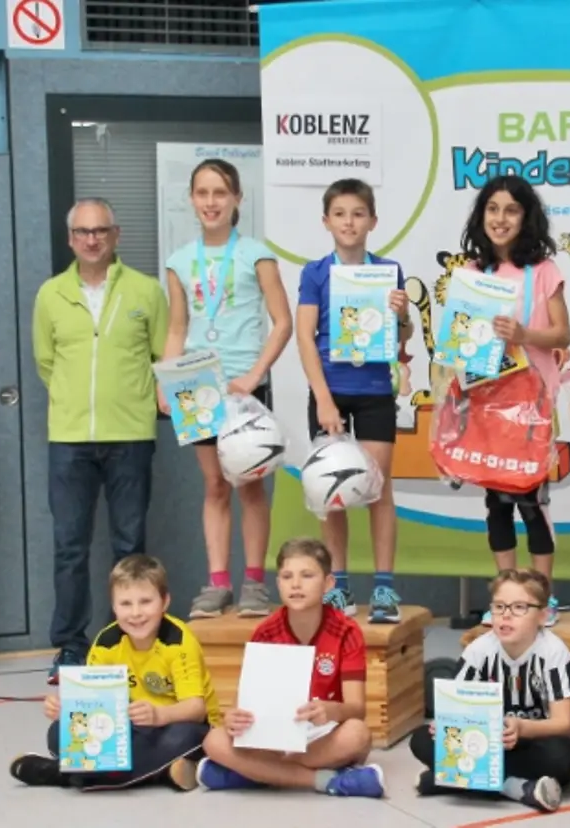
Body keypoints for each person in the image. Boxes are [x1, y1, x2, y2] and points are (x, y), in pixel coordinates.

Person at [34, 198, 169, 683]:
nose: (92, 239)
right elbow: (47, 364)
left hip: (131, 435)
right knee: (69, 546)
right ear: (71, 239)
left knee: (129, 547)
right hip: (69, 440)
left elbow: (162, 357)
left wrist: (129, 400)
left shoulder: (147, 291)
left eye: (101, 230)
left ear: (116, 234)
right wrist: (78, 405)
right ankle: (70, 647)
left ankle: (127, 645)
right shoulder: (50, 295)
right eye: (83, 232)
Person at [162, 159, 292, 621]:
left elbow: (283, 323)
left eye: (220, 192)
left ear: (237, 198)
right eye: (202, 193)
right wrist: (167, 377)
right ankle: (217, 583)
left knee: (250, 486)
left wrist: (256, 375)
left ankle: (254, 582)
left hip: (244, 385)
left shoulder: (256, 255)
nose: (211, 202)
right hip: (196, 383)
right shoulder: (178, 262)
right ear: (192, 199)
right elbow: (177, 328)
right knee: (215, 485)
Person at [295, 178, 413, 623]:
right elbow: (305, 338)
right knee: (331, 492)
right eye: (340, 214)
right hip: (330, 391)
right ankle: (337, 586)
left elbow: (402, 337)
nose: (349, 222)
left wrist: (402, 314)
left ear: (373, 221)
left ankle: (384, 588)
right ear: (326, 221)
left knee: (378, 488)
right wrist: (323, 399)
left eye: (358, 214)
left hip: (374, 392)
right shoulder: (315, 273)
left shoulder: (388, 270)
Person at [459, 174, 570, 628]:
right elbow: (459, 339)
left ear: (525, 217)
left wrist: (524, 336)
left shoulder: (543, 269)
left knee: (532, 502)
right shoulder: (470, 272)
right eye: (492, 209)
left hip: (533, 406)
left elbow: (563, 333)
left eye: (510, 210)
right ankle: (506, 599)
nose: (500, 219)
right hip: (488, 402)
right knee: (496, 502)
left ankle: (540, 600)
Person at [10, 554, 222, 791]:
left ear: (165, 602)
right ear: (114, 607)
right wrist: (68, 711)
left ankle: (65, 773)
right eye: (126, 604)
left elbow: (195, 709)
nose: (136, 613)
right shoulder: (105, 643)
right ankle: (159, 772)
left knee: (182, 739)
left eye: (145, 601)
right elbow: (92, 706)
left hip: (176, 724)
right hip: (127, 730)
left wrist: (158, 715)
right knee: (58, 733)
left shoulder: (179, 642)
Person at [196, 538, 384, 797]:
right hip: (272, 736)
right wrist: (233, 717)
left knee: (358, 735)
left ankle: (256, 774)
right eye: (287, 576)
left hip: (320, 733)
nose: (296, 584)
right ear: (278, 584)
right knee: (213, 741)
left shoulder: (347, 631)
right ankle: (325, 780)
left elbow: (357, 709)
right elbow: (243, 701)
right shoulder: (266, 631)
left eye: (307, 575)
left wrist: (332, 710)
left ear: (328, 584)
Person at [409, 569, 570, 812]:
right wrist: (447, 725)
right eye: (499, 607)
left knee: (563, 759)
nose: (506, 616)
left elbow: (563, 723)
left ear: (542, 616)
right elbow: (456, 707)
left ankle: (454, 780)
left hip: (537, 741)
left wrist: (522, 727)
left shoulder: (554, 652)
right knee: (421, 740)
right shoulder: (479, 650)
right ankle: (515, 787)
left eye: (519, 607)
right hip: (486, 743)